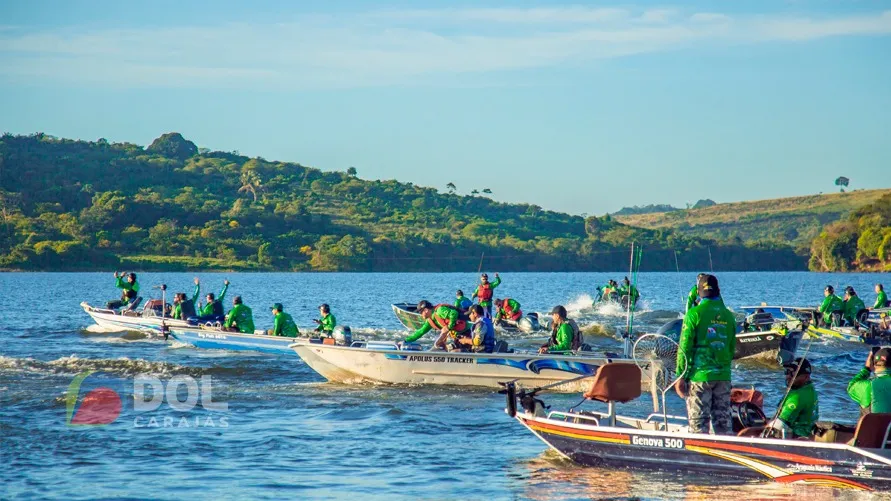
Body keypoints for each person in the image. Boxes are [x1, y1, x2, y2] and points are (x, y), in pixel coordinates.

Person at [674, 274, 737, 435]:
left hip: (700, 377)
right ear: (718, 291)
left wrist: (680, 375)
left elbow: (684, 348)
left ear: (699, 292)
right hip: (723, 376)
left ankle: (699, 457)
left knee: (698, 426)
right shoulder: (729, 316)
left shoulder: (694, 314)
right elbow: (731, 348)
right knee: (723, 425)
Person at [766, 358, 819, 439]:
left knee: (746, 432)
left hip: (795, 436)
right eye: (787, 372)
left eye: (794, 374)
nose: (788, 376)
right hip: (807, 431)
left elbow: (779, 424)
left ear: (806, 377)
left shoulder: (796, 397)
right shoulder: (810, 389)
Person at [404, 300, 469, 349]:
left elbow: (454, 313)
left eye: (421, 312)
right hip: (459, 335)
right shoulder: (430, 321)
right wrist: (406, 341)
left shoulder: (439, 311)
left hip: (468, 330)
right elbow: (420, 332)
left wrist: (449, 327)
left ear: (426, 310)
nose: (421, 314)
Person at [847, 347, 891, 416]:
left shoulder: (869, 385)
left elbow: (851, 387)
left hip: (874, 425)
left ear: (873, 364)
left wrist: (867, 369)